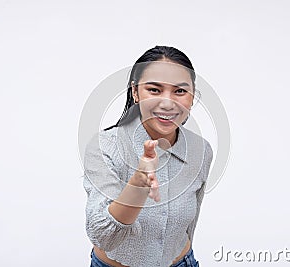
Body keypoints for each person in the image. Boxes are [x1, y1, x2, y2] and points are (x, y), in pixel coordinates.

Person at [83, 46, 213, 267]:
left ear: (192, 97)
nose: (167, 102)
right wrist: (139, 184)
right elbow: (103, 236)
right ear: (135, 92)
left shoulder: (201, 150)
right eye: (154, 90)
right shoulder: (104, 146)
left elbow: (188, 226)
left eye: (180, 91)